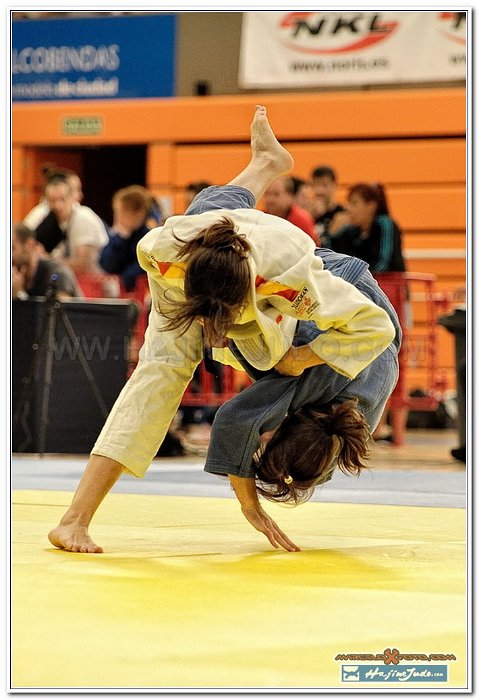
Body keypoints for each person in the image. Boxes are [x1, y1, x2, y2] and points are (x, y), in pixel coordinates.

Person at [48, 105, 395, 554]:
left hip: (311, 292)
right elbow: (228, 415)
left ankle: (266, 165)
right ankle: (75, 519)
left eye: (224, 320)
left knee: (275, 360)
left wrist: (302, 358)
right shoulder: (164, 251)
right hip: (207, 253)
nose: (215, 336)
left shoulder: (289, 276)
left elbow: (374, 327)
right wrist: (251, 501)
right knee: (157, 377)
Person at [204, 247, 401, 540]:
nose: (263, 435)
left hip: (370, 311)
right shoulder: (313, 387)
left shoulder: (345, 432)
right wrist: (250, 506)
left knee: (271, 367)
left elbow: (312, 463)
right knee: (282, 366)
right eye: (268, 439)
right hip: (332, 281)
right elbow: (234, 422)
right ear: (293, 420)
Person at [28, 174, 109, 275]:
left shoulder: (84, 218)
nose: (58, 205)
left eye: (62, 199)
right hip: (68, 278)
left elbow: (83, 265)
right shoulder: (46, 216)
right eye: (52, 200)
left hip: (93, 282)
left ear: (72, 197)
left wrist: (46, 259)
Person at [328, 182, 406, 273]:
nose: (348, 208)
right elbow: (335, 260)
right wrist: (333, 234)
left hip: (390, 285)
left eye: (354, 203)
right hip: (359, 284)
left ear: (371, 206)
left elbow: (382, 265)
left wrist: (353, 275)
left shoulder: (385, 224)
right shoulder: (352, 230)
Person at [100, 185, 158, 292]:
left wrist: (122, 280)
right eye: (116, 212)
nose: (117, 218)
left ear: (138, 213)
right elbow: (107, 265)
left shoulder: (152, 236)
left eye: (122, 212)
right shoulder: (122, 234)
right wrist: (120, 239)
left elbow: (142, 268)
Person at [12, 223, 79, 300]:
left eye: (12, 248)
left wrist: (19, 295)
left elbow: (62, 310)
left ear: (29, 244)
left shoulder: (57, 273)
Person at [263, 175, 317, 242]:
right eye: (267, 194)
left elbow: (314, 249)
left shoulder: (302, 220)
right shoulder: (259, 219)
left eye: (276, 194)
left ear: (289, 197)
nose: (270, 199)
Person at [311, 165, 345, 245]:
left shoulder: (342, 214)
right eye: (316, 185)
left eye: (324, 185)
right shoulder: (307, 214)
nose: (320, 191)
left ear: (334, 186)